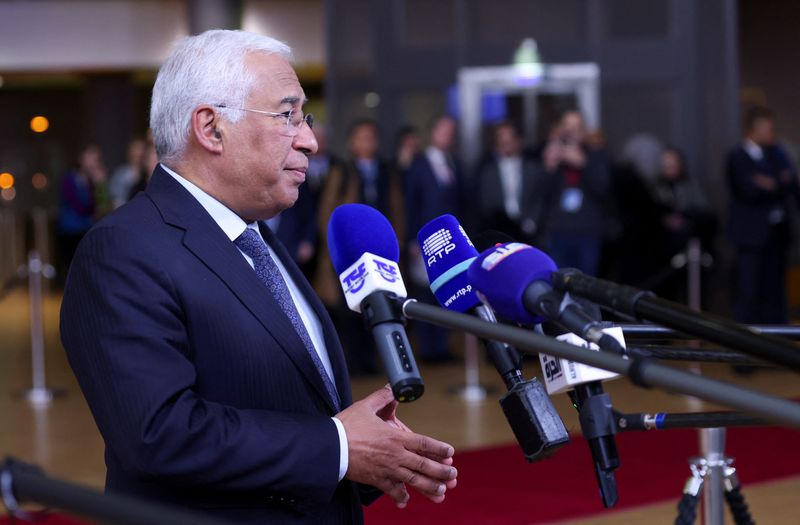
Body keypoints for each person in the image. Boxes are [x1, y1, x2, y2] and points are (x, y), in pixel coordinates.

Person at [60, 30, 457, 524]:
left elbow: (291, 402)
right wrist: (337, 446)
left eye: (304, 118)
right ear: (211, 128)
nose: (309, 139)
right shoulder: (122, 250)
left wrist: (369, 455)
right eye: (287, 115)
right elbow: (159, 433)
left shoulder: (256, 236)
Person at [316, 119, 404, 375]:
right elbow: (326, 212)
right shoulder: (342, 170)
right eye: (361, 137)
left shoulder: (387, 170)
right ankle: (353, 362)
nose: (367, 143)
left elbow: (398, 208)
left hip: (379, 250)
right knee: (349, 309)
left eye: (371, 137)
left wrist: (395, 239)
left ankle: (373, 360)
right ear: (352, 143)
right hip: (351, 251)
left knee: (379, 304)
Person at [727, 107, 798, 325]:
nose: (772, 134)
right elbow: (750, 190)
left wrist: (770, 182)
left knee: (776, 293)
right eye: (768, 129)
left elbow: (790, 183)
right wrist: (776, 182)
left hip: (777, 236)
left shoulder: (777, 154)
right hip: (752, 238)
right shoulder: (737, 157)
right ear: (753, 130)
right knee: (750, 292)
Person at [404, 115, 464, 362]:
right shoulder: (418, 164)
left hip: (449, 239)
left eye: (451, 132)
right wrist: (411, 239)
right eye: (443, 131)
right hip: (424, 238)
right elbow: (410, 204)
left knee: (445, 291)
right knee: (425, 293)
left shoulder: (454, 162)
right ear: (432, 133)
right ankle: (428, 348)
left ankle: (441, 346)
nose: (447, 136)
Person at [540, 110, 611, 276]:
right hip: (558, 230)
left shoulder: (596, 154)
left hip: (587, 231)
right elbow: (541, 195)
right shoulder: (553, 154)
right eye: (567, 126)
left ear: (583, 130)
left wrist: (584, 164)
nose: (571, 132)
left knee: (588, 281)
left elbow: (604, 189)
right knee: (558, 278)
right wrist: (549, 167)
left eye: (576, 127)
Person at [475, 121, 547, 245]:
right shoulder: (487, 172)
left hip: (528, 232)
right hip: (499, 231)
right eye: (501, 139)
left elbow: (540, 197)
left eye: (509, 139)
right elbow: (485, 203)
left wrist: (531, 222)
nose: (505, 143)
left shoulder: (533, 168)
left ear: (519, 140)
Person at [56, 143, 105, 282]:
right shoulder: (69, 179)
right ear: (81, 158)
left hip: (87, 231)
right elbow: (81, 206)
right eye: (90, 157)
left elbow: (102, 206)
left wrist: (101, 185)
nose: (92, 162)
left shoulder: (94, 181)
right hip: (70, 232)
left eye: (96, 159)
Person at [108, 138, 146, 209]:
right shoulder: (121, 174)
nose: (140, 152)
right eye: (136, 148)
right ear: (130, 151)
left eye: (142, 148)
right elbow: (117, 202)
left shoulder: (147, 175)